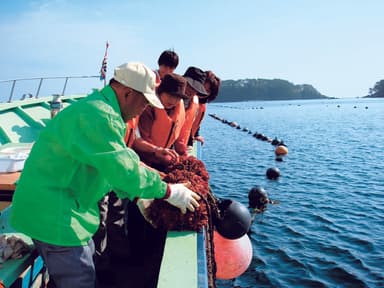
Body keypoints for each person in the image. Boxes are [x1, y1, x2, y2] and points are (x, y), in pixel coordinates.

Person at [10, 62, 200, 288]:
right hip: (55, 216)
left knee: (87, 259)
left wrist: (139, 196)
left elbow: (108, 168)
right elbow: (123, 169)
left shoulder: (96, 108)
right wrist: (168, 191)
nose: (145, 108)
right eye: (145, 101)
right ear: (128, 93)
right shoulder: (101, 116)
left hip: (55, 208)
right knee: (81, 281)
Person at [133, 73, 188, 167]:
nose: (174, 101)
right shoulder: (148, 108)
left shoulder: (175, 108)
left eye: (178, 98)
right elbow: (140, 140)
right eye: (171, 95)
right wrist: (157, 151)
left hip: (161, 154)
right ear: (161, 91)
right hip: (143, 157)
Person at [174, 66, 208, 156]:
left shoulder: (194, 104)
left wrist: (194, 138)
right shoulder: (170, 98)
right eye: (189, 85)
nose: (190, 91)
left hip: (180, 150)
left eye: (195, 89)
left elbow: (188, 128)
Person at [189, 70, 221, 146]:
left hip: (187, 143)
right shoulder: (187, 100)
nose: (202, 92)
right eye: (202, 87)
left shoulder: (202, 105)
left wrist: (196, 135)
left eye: (207, 90)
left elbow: (196, 123)